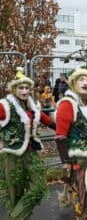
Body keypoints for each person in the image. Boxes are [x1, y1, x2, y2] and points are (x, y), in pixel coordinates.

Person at [0, 67, 55, 220]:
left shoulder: (32, 106)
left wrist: (66, 130)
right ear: (13, 89)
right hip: (12, 156)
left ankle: (14, 217)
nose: (24, 91)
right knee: (14, 195)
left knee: (38, 187)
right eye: (20, 87)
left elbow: (48, 121)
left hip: (30, 154)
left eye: (26, 88)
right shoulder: (5, 105)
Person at [55, 67, 87, 219]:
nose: (85, 83)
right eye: (81, 80)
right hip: (80, 158)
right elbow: (60, 136)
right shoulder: (67, 104)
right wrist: (65, 163)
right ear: (73, 84)